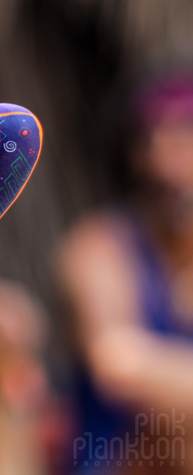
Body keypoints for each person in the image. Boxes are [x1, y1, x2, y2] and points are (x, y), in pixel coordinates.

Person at [61, 75, 193, 473]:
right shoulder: (100, 248)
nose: (168, 164)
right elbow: (116, 360)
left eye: (184, 140)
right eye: (153, 142)